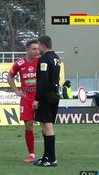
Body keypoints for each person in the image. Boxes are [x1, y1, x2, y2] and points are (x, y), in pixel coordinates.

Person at [7, 39, 39, 163]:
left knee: (44, 125)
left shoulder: (41, 61)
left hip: (39, 97)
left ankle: (48, 154)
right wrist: (16, 91)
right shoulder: (19, 63)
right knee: (28, 125)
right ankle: (31, 154)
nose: (36, 51)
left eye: (37, 49)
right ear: (27, 50)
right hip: (26, 98)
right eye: (34, 49)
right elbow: (9, 77)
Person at [32, 35, 61, 167]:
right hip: (54, 94)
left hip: (46, 96)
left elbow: (43, 81)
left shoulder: (44, 59)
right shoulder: (56, 58)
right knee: (44, 126)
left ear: (43, 45)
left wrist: (37, 99)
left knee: (47, 126)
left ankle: (51, 158)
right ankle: (46, 156)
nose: (38, 50)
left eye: (38, 47)